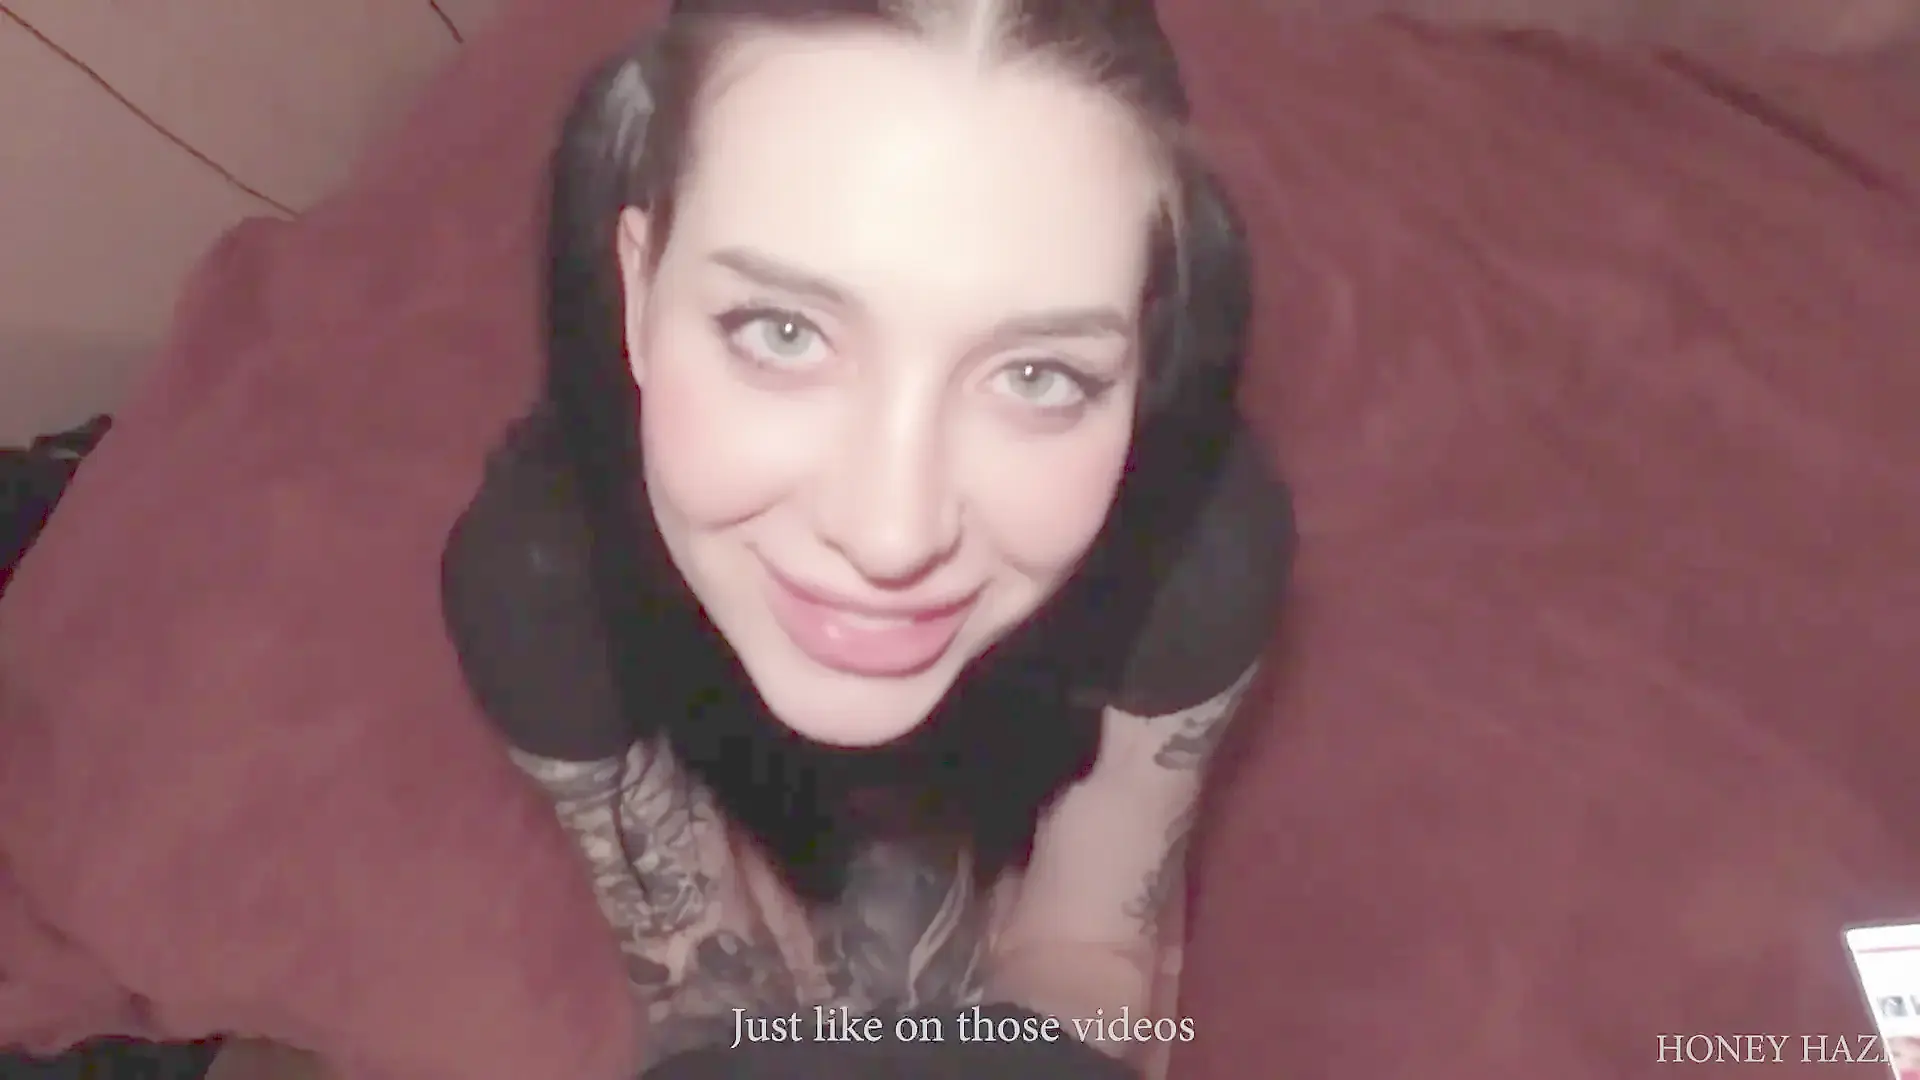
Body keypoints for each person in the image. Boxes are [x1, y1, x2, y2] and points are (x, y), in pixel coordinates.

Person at [439, 0, 1294, 1075]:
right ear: (639, 288)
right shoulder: (536, 581)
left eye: (1038, 375)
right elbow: (698, 975)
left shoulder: (1201, 548)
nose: (892, 536)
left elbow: (1088, 951)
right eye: (783, 331)